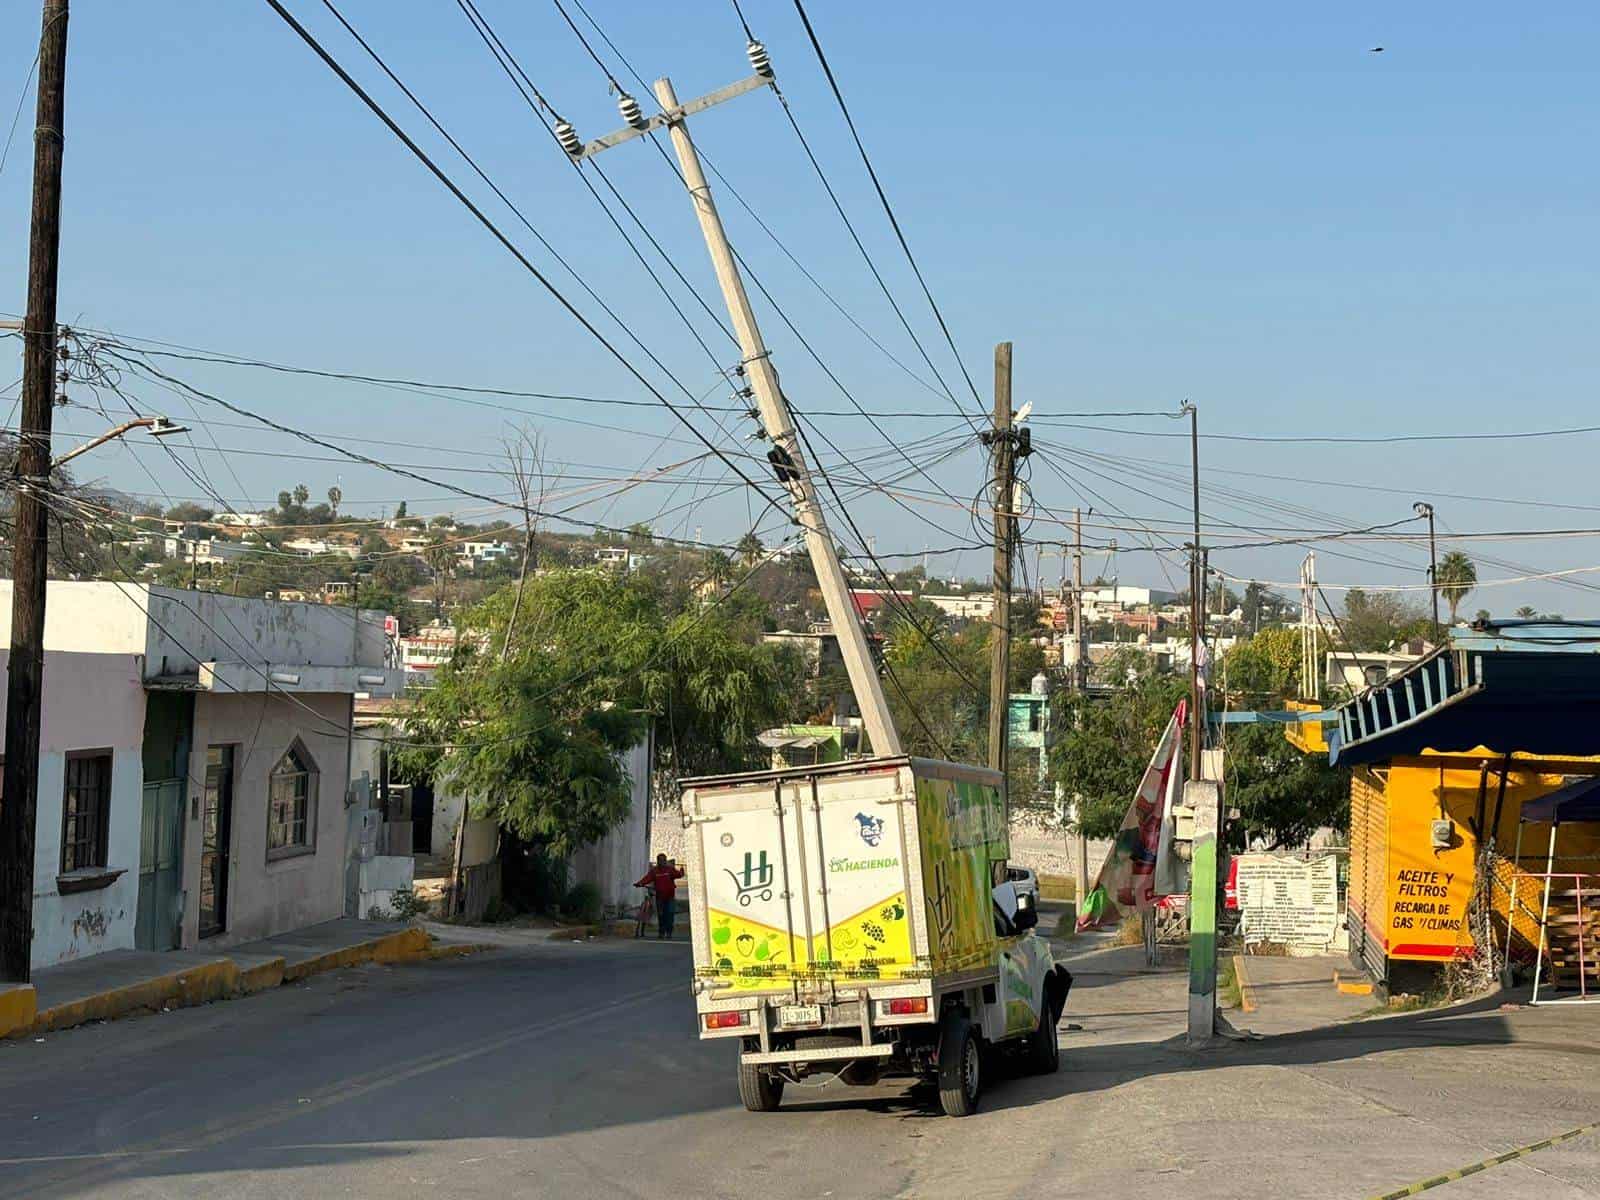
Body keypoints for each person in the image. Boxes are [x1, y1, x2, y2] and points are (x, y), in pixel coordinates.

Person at [635, 853, 686, 940]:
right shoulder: (654, 871)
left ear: (665, 861)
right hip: (660, 897)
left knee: (669, 914)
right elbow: (647, 878)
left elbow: (678, 875)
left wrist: (681, 872)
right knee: (661, 915)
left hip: (670, 897)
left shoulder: (670, 870)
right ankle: (661, 932)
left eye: (663, 860)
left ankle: (669, 932)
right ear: (658, 861)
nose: (661, 862)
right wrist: (640, 883)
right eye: (660, 860)